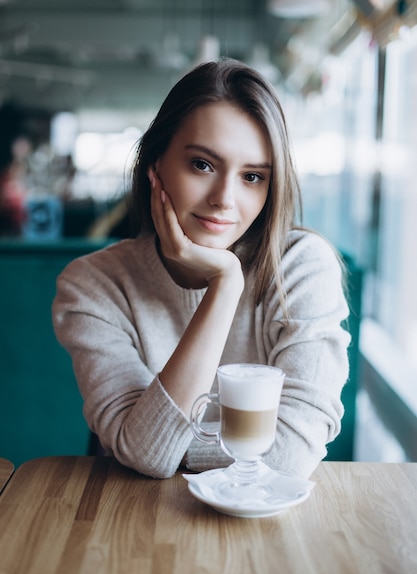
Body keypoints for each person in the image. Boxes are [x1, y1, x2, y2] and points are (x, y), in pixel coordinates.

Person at [52, 58, 350, 480]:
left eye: (252, 176)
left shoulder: (302, 267)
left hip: (262, 524)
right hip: (133, 527)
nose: (225, 199)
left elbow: (292, 454)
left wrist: (168, 443)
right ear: (155, 166)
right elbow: (148, 455)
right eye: (203, 165)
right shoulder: (93, 285)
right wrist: (225, 284)